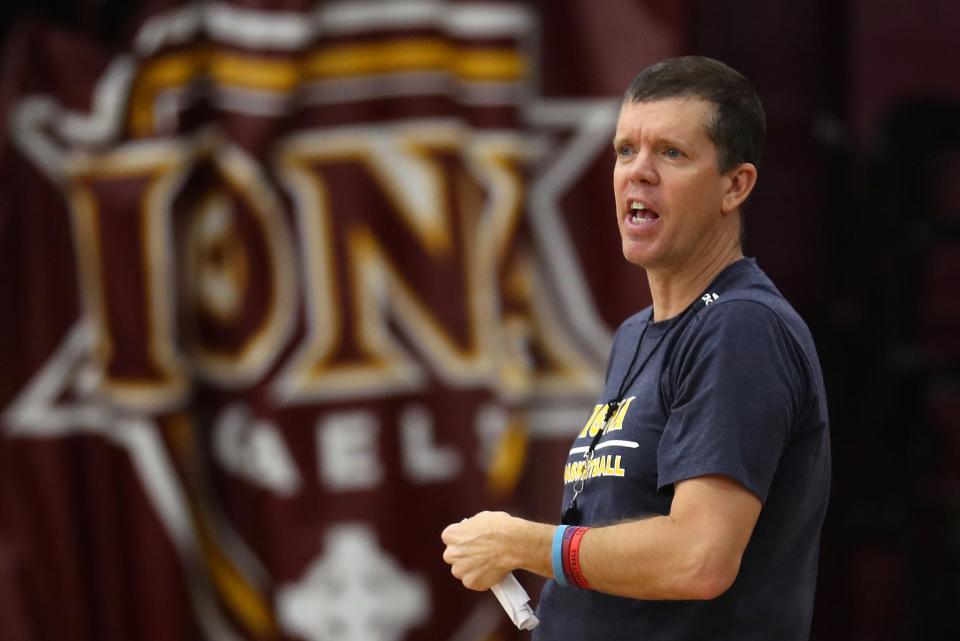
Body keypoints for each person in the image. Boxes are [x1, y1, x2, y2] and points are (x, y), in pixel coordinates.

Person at [440, 55, 831, 640]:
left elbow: (698, 558)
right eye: (626, 151)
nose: (638, 173)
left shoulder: (740, 327)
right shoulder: (637, 334)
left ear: (735, 185)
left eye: (671, 153)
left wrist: (522, 543)